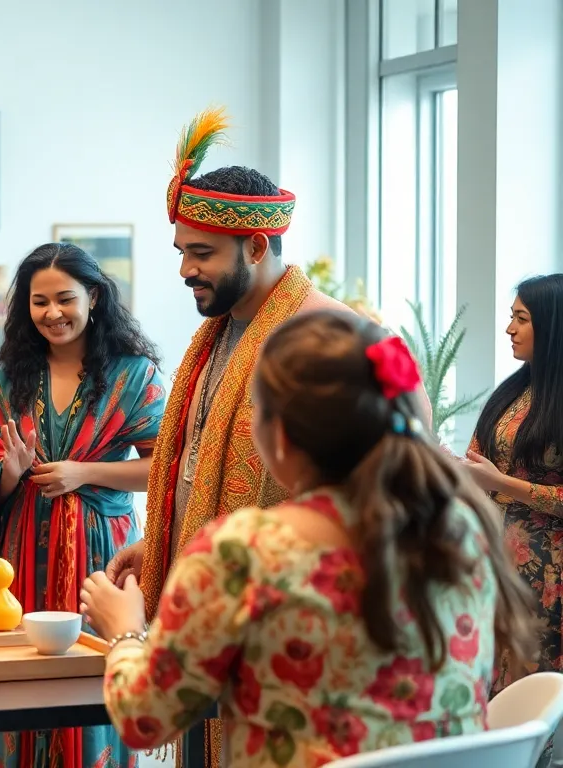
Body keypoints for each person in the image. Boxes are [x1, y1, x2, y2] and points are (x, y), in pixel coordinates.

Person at [106, 107, 433, 768]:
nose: (185, 270)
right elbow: (201, 459)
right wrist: (166, 536)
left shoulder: (330, 336)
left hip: (297, 635)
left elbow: (404, 469)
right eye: (181, 253)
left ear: (256, 246)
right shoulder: (217, 335)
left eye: (202, 253)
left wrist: (127, 630)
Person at [83, 309, 536, 767]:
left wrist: (123, 627)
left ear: (278, 437)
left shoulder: (245, 554)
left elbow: (145, 720)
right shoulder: (459, 530)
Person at [0, 242, 166, 768]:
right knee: (24, 689)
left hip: (103, 553)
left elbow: (164, 471)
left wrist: (84, 472)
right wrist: (9, 471)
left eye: (64, 299)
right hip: (21, 555)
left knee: (97, 686)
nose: (52, 313)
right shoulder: (9, 377)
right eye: (39, 302)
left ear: (93, 297)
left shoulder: (136, 374)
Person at [465, 277, 563, 699]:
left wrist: (499, 483)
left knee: (528, 694)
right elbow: (478, 456)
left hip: (547, 574)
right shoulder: (513, 391)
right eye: (512, 317)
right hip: (493, 564)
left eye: (521, 319)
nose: (510, 329)